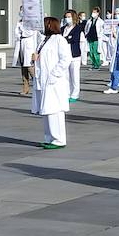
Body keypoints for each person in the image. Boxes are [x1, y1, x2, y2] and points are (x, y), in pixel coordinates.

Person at [34, 16, 71, 149]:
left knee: (55, 110)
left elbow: (66, 59)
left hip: (54, 81)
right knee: (46, 110)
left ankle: (59, 139)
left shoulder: (59, 40)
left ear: (50, 25)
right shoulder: (44, 40)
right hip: (43, 80)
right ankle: (49, 137)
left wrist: (54, 74)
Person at [16, 9, 44, 98]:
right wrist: (20, 32)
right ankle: (25, 88)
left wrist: (21, 31)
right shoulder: (20, 22)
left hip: (30, 46)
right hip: (21, 45)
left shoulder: (32, 22)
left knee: (30, 67)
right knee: (23, 68)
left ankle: (38, 85)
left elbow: (28, 33)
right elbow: (16, 33)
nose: (21, 13)